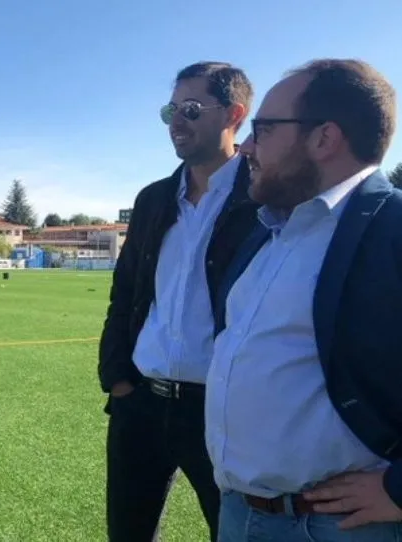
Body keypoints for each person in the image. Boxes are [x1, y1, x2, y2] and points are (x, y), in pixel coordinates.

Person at [209, 58, 402, 541]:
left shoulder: (392, 227)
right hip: (240, 513)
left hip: (341, 527)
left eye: (263, 129)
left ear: (324, 138)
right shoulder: (268, 229)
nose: (246, 146)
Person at [97, 61, 260, 541]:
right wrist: (117, 379)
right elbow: (125, 291)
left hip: (224, 411)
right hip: (140, 404)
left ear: (234, 114)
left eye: (191, 109)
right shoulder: (154, 199)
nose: (176, 122)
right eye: (171, 110)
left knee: (233, 533)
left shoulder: (263, 196)